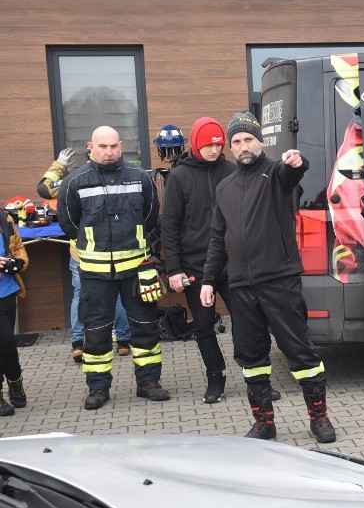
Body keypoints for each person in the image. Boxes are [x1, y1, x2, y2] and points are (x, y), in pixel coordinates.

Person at [201, 112, 336, 442]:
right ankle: (264, 422)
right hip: (241, 288)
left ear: (260, 141)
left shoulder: (275, 174)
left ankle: (319, 418)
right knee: (251, 357)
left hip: (279, 280)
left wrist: (296, 161)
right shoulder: (225, 188)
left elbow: (294, 172)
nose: (243, 146)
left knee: (301, 353)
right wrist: (207, 279)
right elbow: (218, 238)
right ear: (230, 147)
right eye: (236, 141)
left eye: (248, 139)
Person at [57, 126, 170, 410]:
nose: (109, 152)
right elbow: (68, 223)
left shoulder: (139, 178)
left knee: (144, 327)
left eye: (113, 146)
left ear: (121, 146)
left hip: (136, 270)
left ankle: (148, 383)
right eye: (102, 147)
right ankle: (98, 388)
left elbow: (149, 217)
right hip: (95, 273)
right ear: (90, 147)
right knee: (96, 331)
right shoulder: (75, 182)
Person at [161, 116, 236, 403]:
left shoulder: (232, 171)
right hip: (194, 266)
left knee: (245, 322)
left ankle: (255, 374)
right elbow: (169, 226)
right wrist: (174, 269)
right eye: (208, 146)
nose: (214, 151)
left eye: (218, 145)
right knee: (203, 326)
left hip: (230, 264)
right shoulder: (179, 176)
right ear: (195, 144)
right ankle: (215, 377)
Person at [37, 148, 131, 362]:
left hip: (83, 252)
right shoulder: (120, 177)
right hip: (114, 249)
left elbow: (45, 188)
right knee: (116, 294)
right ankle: (122, 341)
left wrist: (59, 166)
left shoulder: (75, 180)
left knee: (82, 295)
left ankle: (79, 343)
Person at [0, 209, 28, 416]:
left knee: (8, 344)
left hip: (7, 291)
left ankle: (15, 380)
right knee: (4, 339)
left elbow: (17, 247)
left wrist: (19, 263)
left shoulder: (4, 217)